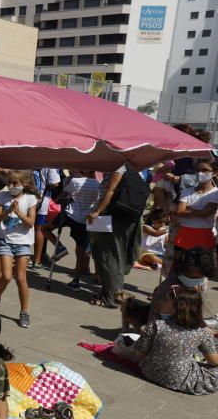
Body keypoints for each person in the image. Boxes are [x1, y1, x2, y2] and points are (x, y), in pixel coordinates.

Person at [134, 286, 218, 395]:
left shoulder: (155, 325)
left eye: (166, 300)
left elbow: (139, 353)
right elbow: (214, 361)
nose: (161, 302)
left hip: (148, 371)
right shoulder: (201, 333)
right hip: (179, 379)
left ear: (177, 307)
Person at [0, 170, 37, 329]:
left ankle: (24, 311)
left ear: (24, 184)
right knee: (6, 276)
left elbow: (30, 223)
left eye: (15, 183)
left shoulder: (30, 199)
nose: (12, 187)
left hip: (23, 242)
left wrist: (18, 212)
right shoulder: (2, 197)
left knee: (21, 278)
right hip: (5, 240)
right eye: (9, 183)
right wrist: (8, 211)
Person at [87, 165, 141, 309]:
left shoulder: (118, 168)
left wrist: (97, 211)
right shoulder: (126, 168)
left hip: (114, 218)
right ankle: (108, 294)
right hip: (119, 218)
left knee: (110, 257)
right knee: (109, 257)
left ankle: (111, 299)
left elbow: (110, 191)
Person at [40, 170, 99, 292]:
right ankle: (76, 280)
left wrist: (67, 182)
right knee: (81, 250)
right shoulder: (98, 183)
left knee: (45, 228)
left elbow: (64, 195)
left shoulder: (75, 181)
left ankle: (60, 248)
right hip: (85, 219)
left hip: (70, 214)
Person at [171, 159, 217, 252]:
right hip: (185, 233)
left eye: (204, 170)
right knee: (179, 263)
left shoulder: (215, 193)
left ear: (215, 173)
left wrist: (187, 208)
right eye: (197, 170)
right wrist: (199, 212)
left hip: (205, 234)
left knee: (204, 264)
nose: (200, 173)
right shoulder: (186, 191)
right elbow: (179, 211)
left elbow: (205, 213)